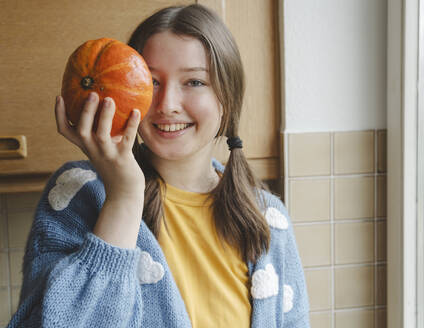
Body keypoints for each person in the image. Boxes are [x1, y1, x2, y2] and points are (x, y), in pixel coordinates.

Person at [7, 4, 309, 328]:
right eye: (151, 82)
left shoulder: (267, 219)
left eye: (194, 82)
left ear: (228, 98)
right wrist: (123, 198)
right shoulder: (78, 197)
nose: (167, 105)